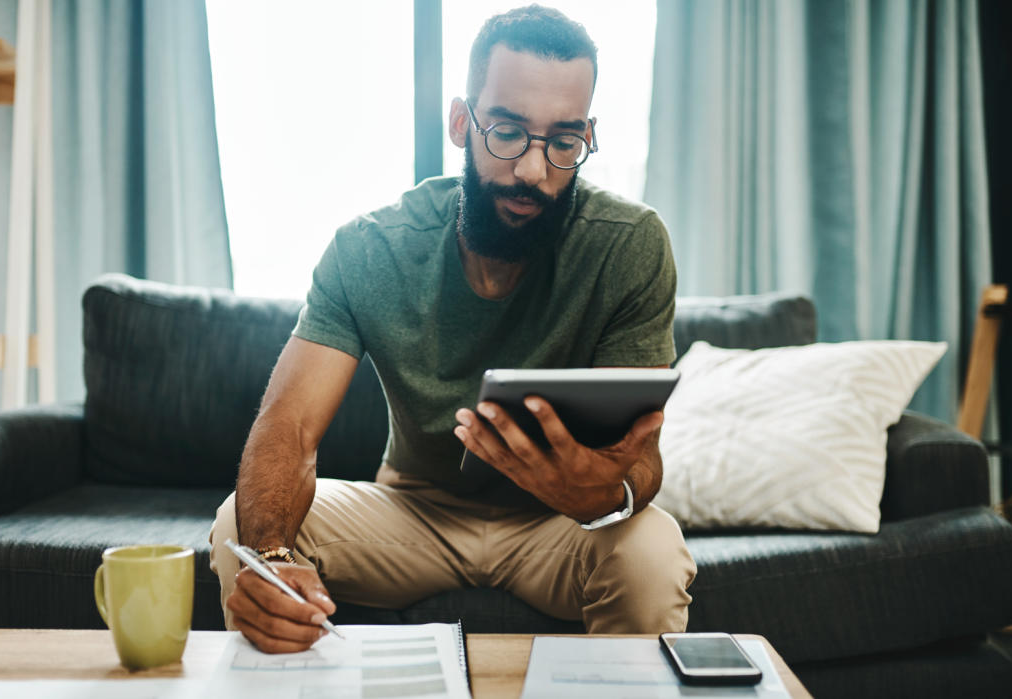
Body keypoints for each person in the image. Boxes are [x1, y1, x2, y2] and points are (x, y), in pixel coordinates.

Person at [209, 5, 696, 654]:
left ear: (587, 135)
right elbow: (288, 426)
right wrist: (268, 555)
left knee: (655, 551)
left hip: (562, 525)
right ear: (463, 123)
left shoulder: (630, 246)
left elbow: (639, 457)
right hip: (414, 513)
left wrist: (605, 491)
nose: (533, 170)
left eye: (563, 141)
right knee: (233, 528)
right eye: (508, 132)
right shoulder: (371, 249)